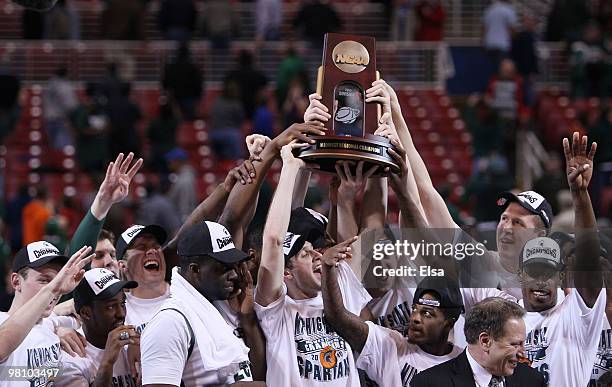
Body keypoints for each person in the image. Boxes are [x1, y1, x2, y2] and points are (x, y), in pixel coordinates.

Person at [254, 140, 372, 386]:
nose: (320, 257)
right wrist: (290, 166)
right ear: (286, 272)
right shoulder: (276, 308)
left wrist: (344, 195)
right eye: (307, 253)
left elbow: (357, 240)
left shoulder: (340, 286)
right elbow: (275, 240)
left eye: (320, 249)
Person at [519, 132, 606, 385]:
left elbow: (589, 263)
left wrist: (580, 196)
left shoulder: (576, 315)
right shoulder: (506, 321)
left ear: (560, 276)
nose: (541, 280)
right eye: (533, 271)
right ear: (520, 275)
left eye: (548, 272)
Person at [141, 221, 265, 386]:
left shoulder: (219, 307)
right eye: (223, 267)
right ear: (195, 270)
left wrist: (247, 318)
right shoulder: (170, 322)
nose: (235, 275)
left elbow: (253, 377)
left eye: (234, 265)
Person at [322, 260, 464, 386]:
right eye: (414, 309)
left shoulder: (465, 363)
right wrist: (327, 268)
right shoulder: (391, 346)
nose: (415, 318)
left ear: (448, 324)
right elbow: (337, 316)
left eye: (427, 313)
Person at [0, 243, 92, 386]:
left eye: (58, 280)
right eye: (44, 280)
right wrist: (52, 290)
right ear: (16, 281)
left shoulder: (51, 325)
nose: (56, 287)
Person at [411, 298, 545, 387]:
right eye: (515, 344)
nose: (523, 353)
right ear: (485, 341)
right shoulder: (428, 383)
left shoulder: (532, 381)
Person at [54, 268, 140, 386]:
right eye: (110, 307)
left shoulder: (133, 345)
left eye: (122, 304)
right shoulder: (70, 356)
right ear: (86, 313)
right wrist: (107, 363)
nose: (121, 314)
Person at [115, 224, 169, 334]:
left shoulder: (185, 294)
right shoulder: (118, 312)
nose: (152, 251)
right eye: (141, 247)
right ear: (123, 266)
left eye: (156, 246)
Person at [482, 0, 518, 72]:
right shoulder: (508, 10)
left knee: (493, 69)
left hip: (490, 44)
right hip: (502, 45)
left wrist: (483, 43)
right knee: (502, 70)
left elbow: (484, 28)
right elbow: (513, 29)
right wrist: (514, 38)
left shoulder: (489, 10)